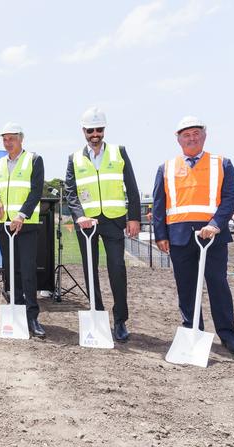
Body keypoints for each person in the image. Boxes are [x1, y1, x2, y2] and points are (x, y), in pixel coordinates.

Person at [153, 116, 234, 356]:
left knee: (218, 285)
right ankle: (192, 330)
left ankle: (228, 336)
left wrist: (216, 224)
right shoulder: (166, 168)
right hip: (180, 237)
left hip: (212, 236)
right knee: (186, 288)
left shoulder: (222, 163)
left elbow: (229, 197)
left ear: (204, 136)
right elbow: (159, 204)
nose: (192, 138)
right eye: (186, 134)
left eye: (196, 133)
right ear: (178, 139)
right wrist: (161, 235)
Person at [64, 107, 141, 342]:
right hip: (86, 223)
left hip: (113, 220)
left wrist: (134, 217)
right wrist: (78, 216)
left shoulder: (119, 152)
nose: (94, 134)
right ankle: (96, 313)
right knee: (90, 269)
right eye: (90, 130)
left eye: (98, 129)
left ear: (104, 130)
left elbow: (132, 186)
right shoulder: (74, 158)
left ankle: (120, 320)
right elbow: (70, 191)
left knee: (117, 268)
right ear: (83, 131)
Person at [0, 122, 46, 338]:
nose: (7, 143)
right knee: (10, 270)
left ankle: (32, 317)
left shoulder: (33, 159)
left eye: (11, 138)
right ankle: (16, 309)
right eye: (4, 139)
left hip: (26, 226)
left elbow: (36, 191)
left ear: (21, 139)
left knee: (27, 271)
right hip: (4, 226)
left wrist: (21, 215)